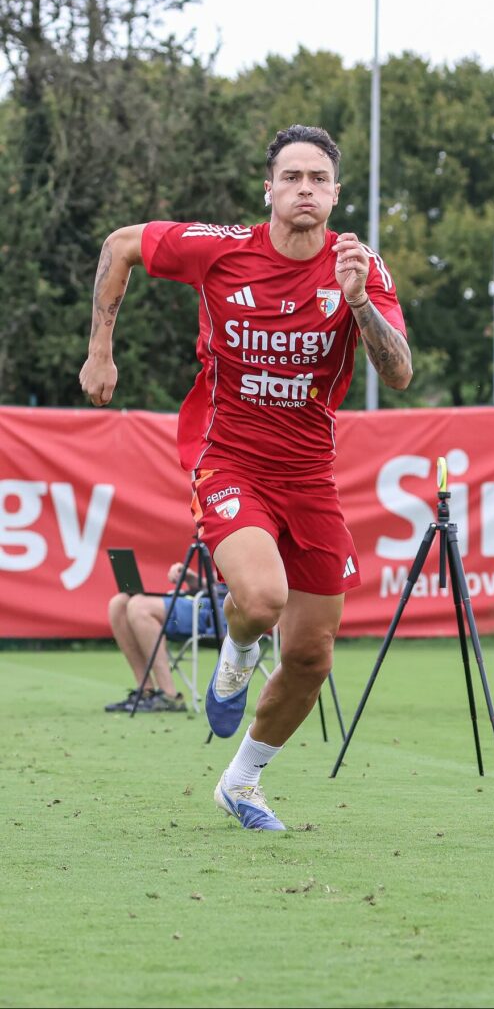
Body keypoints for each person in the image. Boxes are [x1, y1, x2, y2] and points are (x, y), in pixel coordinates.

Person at [80, 124, 412, 830]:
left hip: (310, 475)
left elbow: (400, 372)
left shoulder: (361, 268)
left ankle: (242, 781)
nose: (303, 190)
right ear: (269, 189)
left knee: (312, 654)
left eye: (317, 179)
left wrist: (356, 302)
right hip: (226, 456)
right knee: (261, 598)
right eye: (291, 177)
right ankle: (235, 649)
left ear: (334, 194)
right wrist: (100, 350)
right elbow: (120, 245)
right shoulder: (223, 249)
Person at [105, 562, 217, 713]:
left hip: (219, 610)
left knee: (139, 607)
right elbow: (216, 584)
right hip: (203, 600)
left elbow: (232, 587)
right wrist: (191, 577)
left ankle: (169, 696)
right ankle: (145, 692)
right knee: (119, 603)